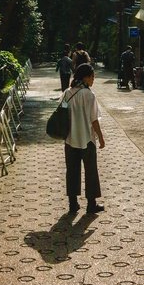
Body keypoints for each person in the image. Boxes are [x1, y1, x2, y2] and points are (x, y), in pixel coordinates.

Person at [62, 63, 106, 215]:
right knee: (91, 171)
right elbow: (94, 119)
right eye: (92, 76)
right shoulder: (89, 95)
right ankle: (91, 205)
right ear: (86, 77)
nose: (93, 79)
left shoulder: (67, 92)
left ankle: (73, 204)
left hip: (70, 139)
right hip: (87, 139)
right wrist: (101, 138)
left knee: (72, 171)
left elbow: (63, 112)